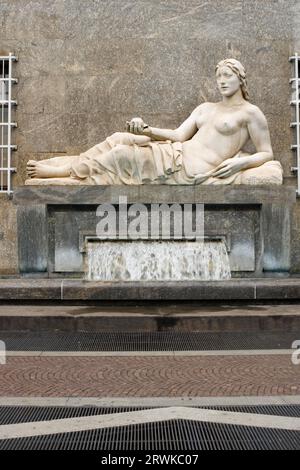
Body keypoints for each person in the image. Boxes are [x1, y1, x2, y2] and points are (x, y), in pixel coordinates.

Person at [26, 58, 283, 186]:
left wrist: (240, 162)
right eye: (219, 77)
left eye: (228, 76)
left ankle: (63, 173)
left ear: (240, 79)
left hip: (192, 169)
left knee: (124, 155)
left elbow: (266, 153)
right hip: (177, 152)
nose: (222, 81)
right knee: (121, 139)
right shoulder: (205, 108)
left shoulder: (251, 113)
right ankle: (73, 165)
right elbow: (179, 135)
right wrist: (147, 129)